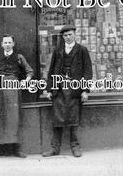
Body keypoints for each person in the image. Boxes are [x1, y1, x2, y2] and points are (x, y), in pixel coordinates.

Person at [42, 25, 93, 158]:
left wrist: (85, 90)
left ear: (75, 34)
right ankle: (55, 148)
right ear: (62, 37)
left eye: (70, 34)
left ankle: (75, 147)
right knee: (57, 118)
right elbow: (52, 70)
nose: (68, 37)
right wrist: (49, 89)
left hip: (75, 89)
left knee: (74, 119)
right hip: (59, 89)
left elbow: (88, 71)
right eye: (65, 35)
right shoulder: (58, 50)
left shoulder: (82, 50)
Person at [0, 35, 34, 159]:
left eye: (9, 42)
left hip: (13, 89)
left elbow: (30, 71)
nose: (7, 44)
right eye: (5, 42)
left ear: (13, 44)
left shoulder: (19, 57)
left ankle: (15, 149)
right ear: (1, 44)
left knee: (13, 118)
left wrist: (26, 81)